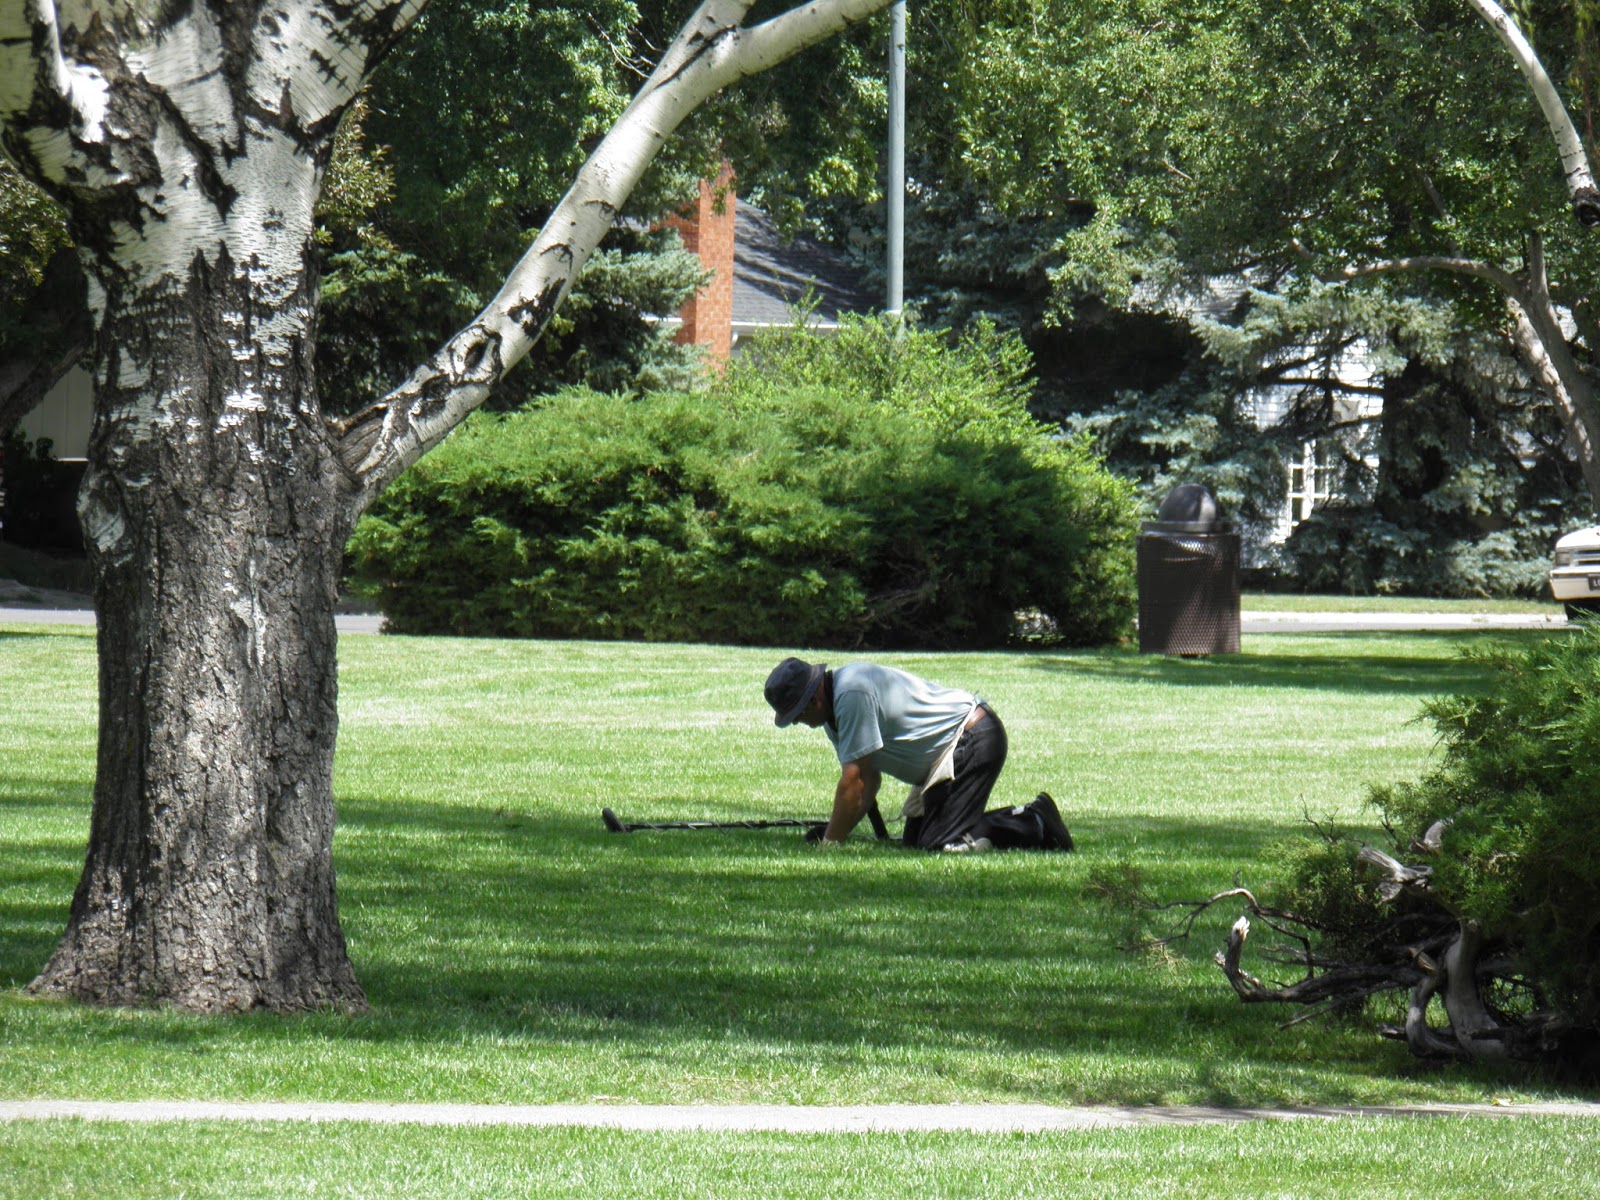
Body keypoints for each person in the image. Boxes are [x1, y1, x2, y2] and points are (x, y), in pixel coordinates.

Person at [764, 657, 1075, 853]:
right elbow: (869, 781)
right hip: (949, 754)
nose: (799, 723)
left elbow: (854, 780)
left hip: (972, 739)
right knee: (916, 843)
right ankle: (1026, 819)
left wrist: (831, 842)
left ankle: (1035, 821)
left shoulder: (851, 694)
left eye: (797, 714)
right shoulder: (836, 710)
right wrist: (839, 832)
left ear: (815, 698)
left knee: (942, 845)